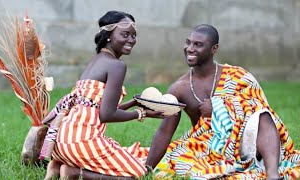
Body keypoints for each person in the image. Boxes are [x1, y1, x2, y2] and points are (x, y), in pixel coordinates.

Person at [145, 24, 300, 180]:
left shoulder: (238, 75)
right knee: (182, 157)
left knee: (262, 114)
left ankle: (272, 175)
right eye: (188, 42)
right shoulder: (179, 88)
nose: (189, 48)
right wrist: (146, 169)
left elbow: (259, 107)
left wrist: (219, 107)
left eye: (198, 44)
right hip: (210, 148)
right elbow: (164, 132)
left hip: (245, 141)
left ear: (214, 49)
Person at [41, 11, 163, 180]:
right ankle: (73, 172)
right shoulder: (117, 65)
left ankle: (58, 165)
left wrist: (133, 103)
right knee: (140, 173)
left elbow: (96, 107)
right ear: (108, 36)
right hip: (81, 142)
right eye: (125, 34)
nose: (131, 40)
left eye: (134, 35)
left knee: (126, 157)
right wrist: (142, 113)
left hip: (62, 143)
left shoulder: (96, 60)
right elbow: (107, 114)